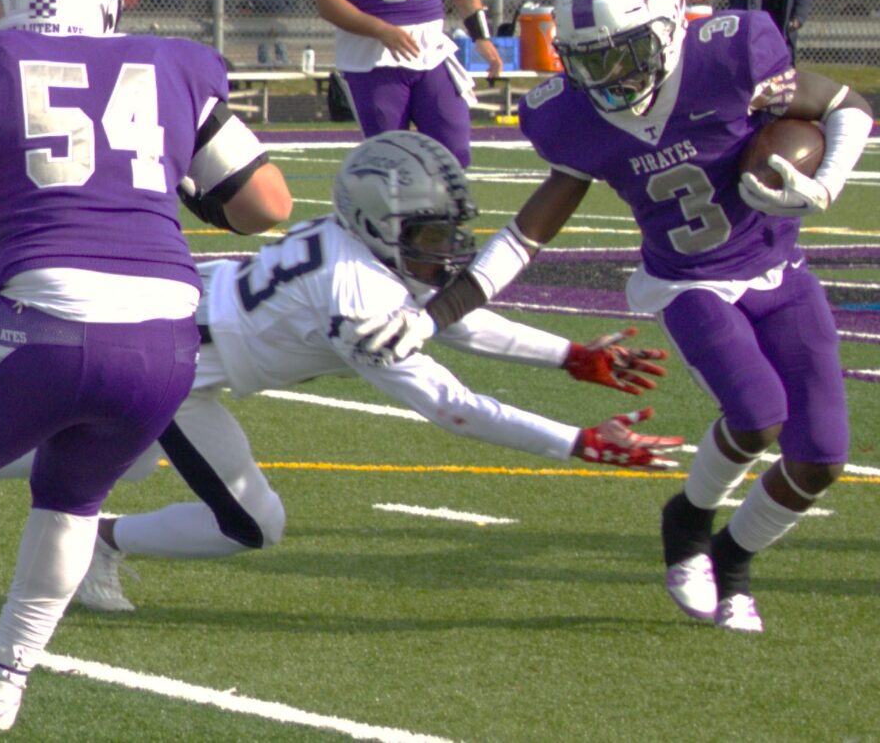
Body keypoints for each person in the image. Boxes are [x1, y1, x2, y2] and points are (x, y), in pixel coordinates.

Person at [352, 0, 873, 633]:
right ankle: (685, 523)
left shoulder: (729, 61)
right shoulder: (577, 118)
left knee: (821, 457)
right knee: (757, 412)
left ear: (666, 29)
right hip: (689, 283)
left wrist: (826, 181)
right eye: (589, 58)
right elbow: (526, 236)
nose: (607, 76)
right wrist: (439, 313)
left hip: (781, 271)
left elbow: (847, 105)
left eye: (621, 54)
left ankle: (733, 560)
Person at [0, 0, 291, 731]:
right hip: (165, 333)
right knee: (72, 502)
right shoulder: (175, 64)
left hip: (45, 312)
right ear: (109, 1)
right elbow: (266, 204)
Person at [47, 131, 681, 612]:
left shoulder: (357, 247)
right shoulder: (355, 297)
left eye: (448, 234)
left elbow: (446, 319)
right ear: (379, 223)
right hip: (170, 364)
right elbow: (452, 407)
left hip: (177, 332)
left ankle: (95, 533)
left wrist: (569, 356)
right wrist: (578, 441)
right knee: (249, 524)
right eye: (431, 237)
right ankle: (94, 538)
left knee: (120, 457)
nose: (447, 251)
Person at [314, 0, 502, 168]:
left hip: (431, 51)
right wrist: (381, 29)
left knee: (454, 153)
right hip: (373, 59)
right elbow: (329, 1)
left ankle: (442, 211)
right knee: (393, 163)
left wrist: (481, 36)